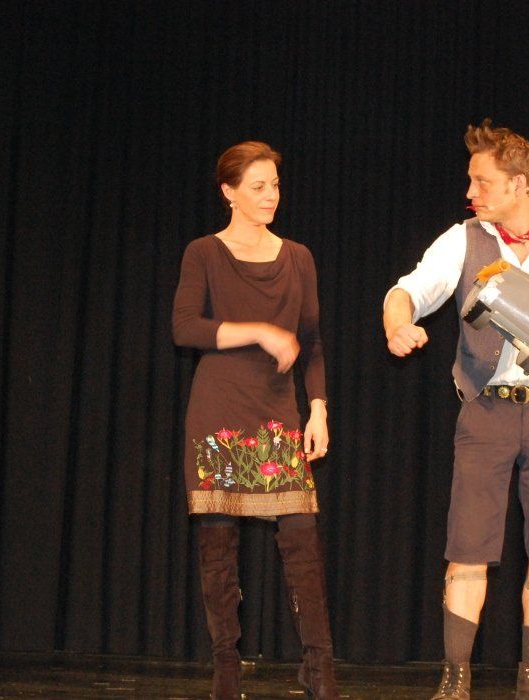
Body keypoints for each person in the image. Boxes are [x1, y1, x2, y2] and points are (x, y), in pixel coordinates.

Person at [383, 120, 529, 699]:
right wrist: (397, 325)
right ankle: (455, 679)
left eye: (482, 181)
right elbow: (407, 290)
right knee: (468, 546)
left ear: (519, 183)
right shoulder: (463, 238)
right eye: (471, 180)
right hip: (487, 411)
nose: (471, 192)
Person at [172, 141, 338, 699]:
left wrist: (318, 408)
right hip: (219, 411)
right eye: (258, 187)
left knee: (302, 540)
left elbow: (312, 341)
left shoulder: (298, 257)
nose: (271, 196)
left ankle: (319, 667)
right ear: (229, 192)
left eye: (275, 186)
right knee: (218, 545)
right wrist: (260, 331)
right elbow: (184, 327)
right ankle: (226, 667)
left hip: (276, 413)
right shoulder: (204, 252)